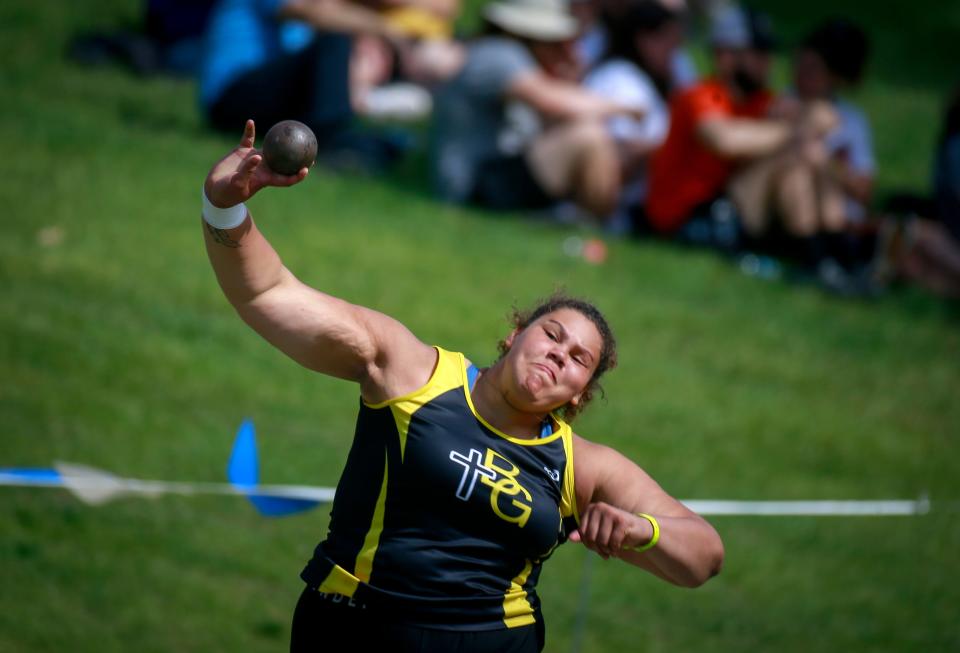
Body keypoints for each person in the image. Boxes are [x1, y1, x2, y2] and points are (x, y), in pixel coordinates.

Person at [201, 120, 724, 651]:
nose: (557, 355)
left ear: (579, 394)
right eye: (551, 335)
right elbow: (268, 294)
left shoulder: (582, 466)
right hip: (354, 628)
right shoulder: (412, 373)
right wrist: (225, 207)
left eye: (577, 360)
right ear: (515, 334)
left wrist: (646, 532)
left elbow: (704, 556)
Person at [430, 0, 644, 219]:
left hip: (492, 175)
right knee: (587, 136)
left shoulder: (503, 55)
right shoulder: (500, 54)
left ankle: (596, 218)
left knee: (588, 132)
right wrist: (624, 109)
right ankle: (603, 222)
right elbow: (555, 103)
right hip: (472, 184)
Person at [199, 0, 410, 172]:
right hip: (232, 96)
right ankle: (332, 138)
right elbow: (316, 14)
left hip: (270, 102)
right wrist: (386, 27)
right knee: (335, 34)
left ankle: (353, 141)